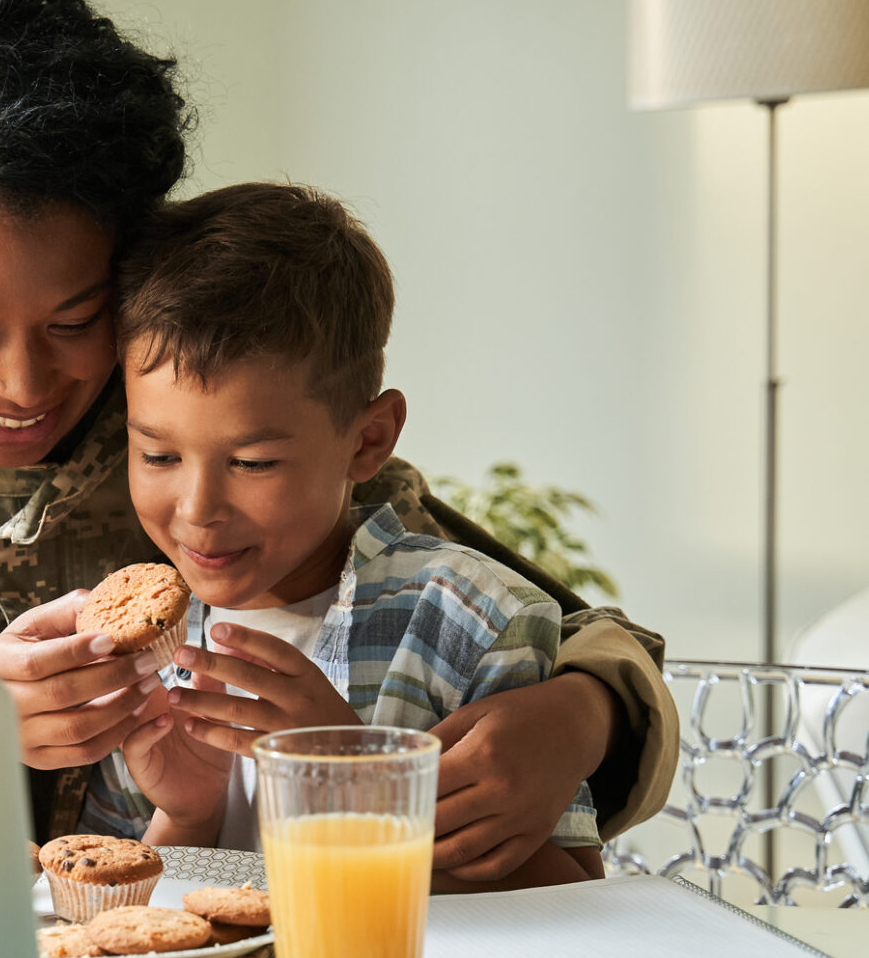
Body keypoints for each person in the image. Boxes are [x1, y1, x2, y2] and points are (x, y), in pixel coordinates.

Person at [0, 0, 677, 874]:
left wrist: (580, 714)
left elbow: (535, 619)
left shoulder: (185, 413)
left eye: (74, 319)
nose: (22, 381)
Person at [104, 183, 600, 887]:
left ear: (368, 440)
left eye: (252, 462)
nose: (197, 507)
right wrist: (187, 816)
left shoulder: (472, 620)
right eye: (158, 455)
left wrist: (361, 776)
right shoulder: (147, 647)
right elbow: (112, 917)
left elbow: (575, 895)